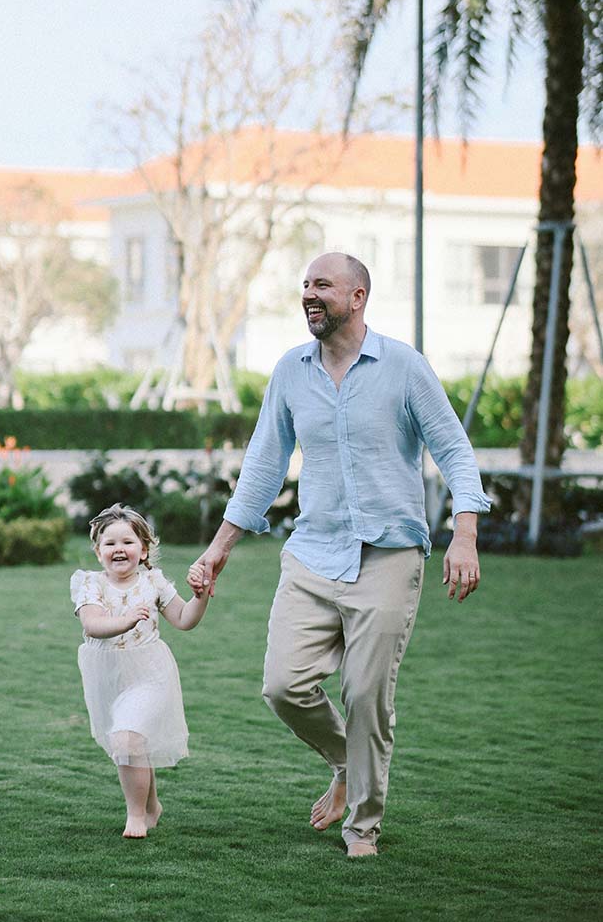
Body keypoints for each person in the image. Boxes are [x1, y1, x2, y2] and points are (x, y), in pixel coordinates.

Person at [188, 252, 490, 858]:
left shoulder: (403, 366)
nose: (309, 294)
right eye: (304, 285)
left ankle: (362, 828)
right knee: (282, 685)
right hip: (313, 553)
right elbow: (263, 466)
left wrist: (465, 534)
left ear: (357, 297)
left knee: (366, 694)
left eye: (321, 285)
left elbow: (454, 450)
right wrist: (219, 549)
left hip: (390, 555)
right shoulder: (291, 371)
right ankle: (345, 763)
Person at [70, 503, 210, 838]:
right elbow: (93, 625)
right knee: (132, 744)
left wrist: (200, 597)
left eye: (128, 542)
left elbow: (183, 619)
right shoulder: (90, 585)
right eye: (110, 543)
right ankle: (151, 806)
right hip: (107, 675)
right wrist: (128, 618)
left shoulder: (154, 583)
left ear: (144, 548)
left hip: (149, 672)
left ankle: (136, 816)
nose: (119, 549)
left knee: (127, 737)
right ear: (98, 550)